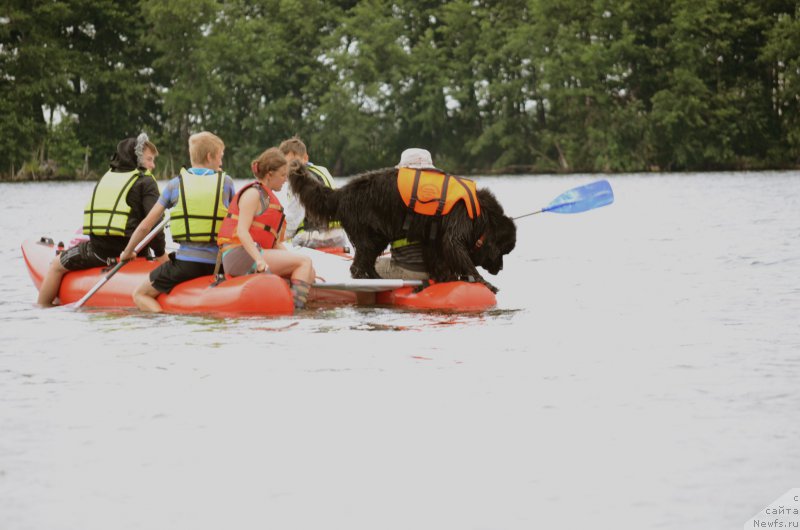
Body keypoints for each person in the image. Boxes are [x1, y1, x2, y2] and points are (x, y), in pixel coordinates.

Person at [37, 133, 167, 306]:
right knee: (56, 264)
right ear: (137, 159)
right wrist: (160, 255)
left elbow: (152, 224)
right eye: (149, 160)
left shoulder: (107, 178)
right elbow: (155, 224)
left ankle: (42, 308)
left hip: (99, 252)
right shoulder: (146, 182)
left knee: (55, 265)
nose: (153, 165)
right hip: (134, 253)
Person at [120, 131, 235, 313]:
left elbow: (145, 225)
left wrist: (128, 252)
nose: (221, 163)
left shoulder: (175, 184)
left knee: (140, 294)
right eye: (220, 157)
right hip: (218, 265)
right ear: (209, 156)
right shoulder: (226, 183)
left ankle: (163, 321)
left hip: (186, 265)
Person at [217, 148, 315, 309]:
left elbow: (274, 243)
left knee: (309, 269)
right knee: (304, 262)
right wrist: (260, 260)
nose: (285, 180)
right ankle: (295, 311)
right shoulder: (253, 194)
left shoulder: (268, 198)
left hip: (252, 254)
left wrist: (295, 261)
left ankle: (296, 302)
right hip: (238, 255)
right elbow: (242, 231)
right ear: (270, 175)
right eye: (283, 175)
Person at [373, 148, 435, 281]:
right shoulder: (441, 198)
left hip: (409, 270)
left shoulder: (393, 198)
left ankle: (365, 303)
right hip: (437, 269)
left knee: (363, 268)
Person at [278, 136, 348, 249]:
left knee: (283, 244)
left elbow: (294, 217)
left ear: (305, 158)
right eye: (286, 164)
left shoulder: (297, 178)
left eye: (293, 162)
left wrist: (279, 238)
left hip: (313, 237)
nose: (291, 167)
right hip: (339, 236)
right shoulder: (322, 170)